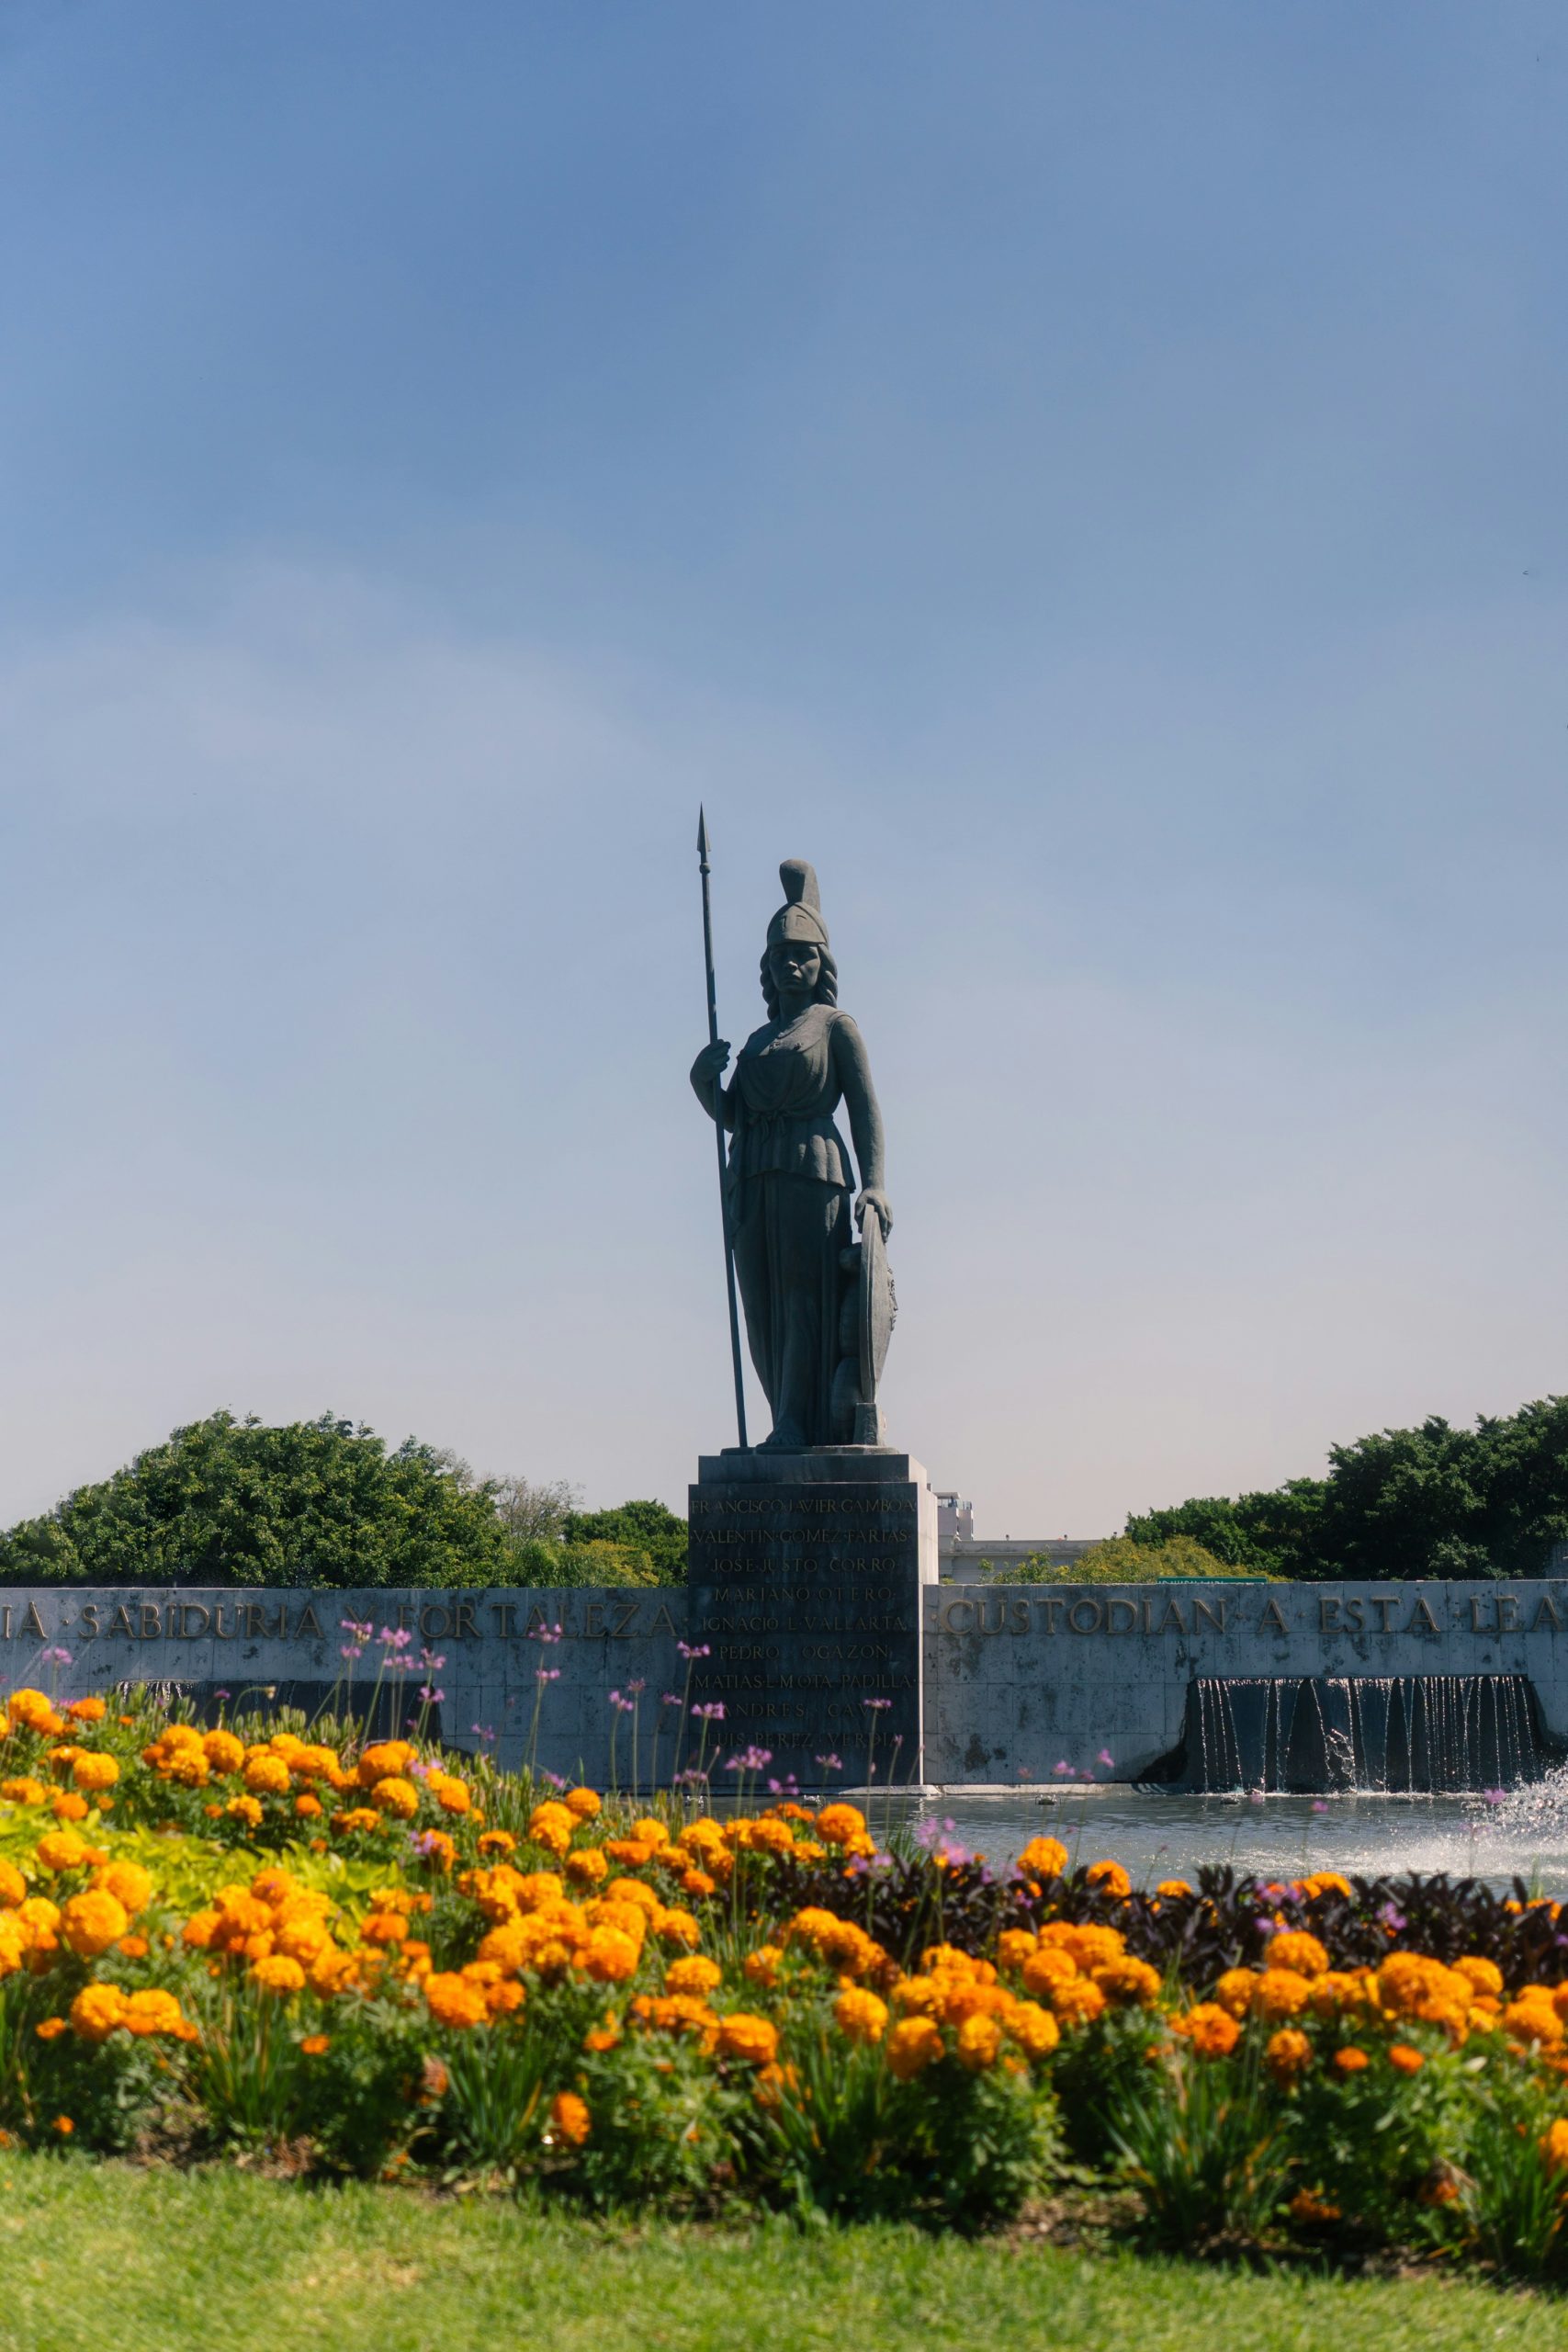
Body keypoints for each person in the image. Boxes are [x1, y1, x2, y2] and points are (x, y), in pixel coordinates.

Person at [690, 859, 892, 1450]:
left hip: (812, 1172)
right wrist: (706, 1085)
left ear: (823, 964)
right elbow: (736, 1118)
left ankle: (797, 1425)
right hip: (753, 1179)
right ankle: (782, 1414)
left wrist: (875, 1185)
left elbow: (865, 1109)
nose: (791, 965)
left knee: (802, 1303)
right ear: (767, 968)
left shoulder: (835, 1026)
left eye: (803, 954)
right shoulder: (754, 1042)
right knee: (762, 1310)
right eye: (781, 957)